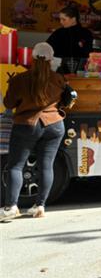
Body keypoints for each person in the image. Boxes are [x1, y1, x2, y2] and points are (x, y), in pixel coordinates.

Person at [1, 43, 67, 221]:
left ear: (32, 58)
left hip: (27, 125)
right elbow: (66, 99)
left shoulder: (19, 79)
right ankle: (40, 206)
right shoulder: (58, 79)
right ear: (52, 59)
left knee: (15, 166)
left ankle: (11, 207)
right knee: (46, 166)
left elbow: (8, 103)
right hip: (55, 125)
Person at [45, 5, 94, 73]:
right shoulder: (58, 33)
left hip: (80, 72)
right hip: (59, 71)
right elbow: (47, 48)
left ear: (73, 19)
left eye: (64, 19)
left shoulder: (86, 33)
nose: (61, 22)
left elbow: (89, 54)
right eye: (60, 19)